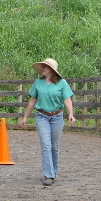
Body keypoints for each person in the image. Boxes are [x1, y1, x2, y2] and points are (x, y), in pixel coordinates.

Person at [19, 58, 76, 186]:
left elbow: (67, 100)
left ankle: (53, 172)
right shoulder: (38, 83)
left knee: (54, 147)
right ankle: (48, 175)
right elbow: (32, 101)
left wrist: (71, 114)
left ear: (52, 70)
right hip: (42, 116)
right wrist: (25, 117)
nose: (42, 68)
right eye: (42, 66)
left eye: (45, 66)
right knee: (46, 145)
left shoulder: (62, 83)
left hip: (57, 116)